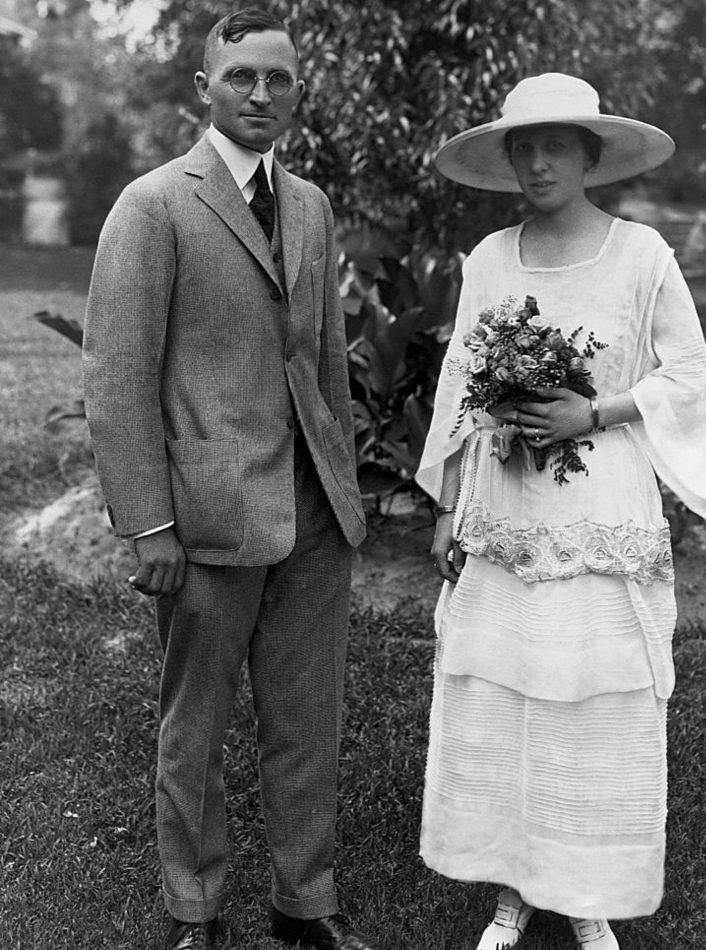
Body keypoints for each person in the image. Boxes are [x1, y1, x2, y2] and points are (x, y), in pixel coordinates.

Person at [82, 8, 377, 950]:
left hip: (311, 509)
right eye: (241, 76)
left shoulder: (311, 206)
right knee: (195, 725)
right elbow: (118, 376)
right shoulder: (156, 204)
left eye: (278, 79)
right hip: (208, 514)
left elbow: (326, 363)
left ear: (298, 92)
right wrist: (147, 525)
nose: (260, 94)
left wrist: (343, 485)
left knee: (307, 720)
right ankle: (196, 911)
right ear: (201, 90)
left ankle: (305, 903)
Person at [416, 73, 706, 950]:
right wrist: (446, 509)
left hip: (599, 511)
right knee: (510, 693)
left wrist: (596, 411)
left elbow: (688, 373)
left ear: (591, 155)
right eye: (525, 146)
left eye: (557, 145)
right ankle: (513, 891)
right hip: (507, 507)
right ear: (508, 158)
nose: (540, 161)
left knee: (588, 697)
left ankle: (585, 895)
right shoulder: (489, 260)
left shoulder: (642, 255)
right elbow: (458, 394)